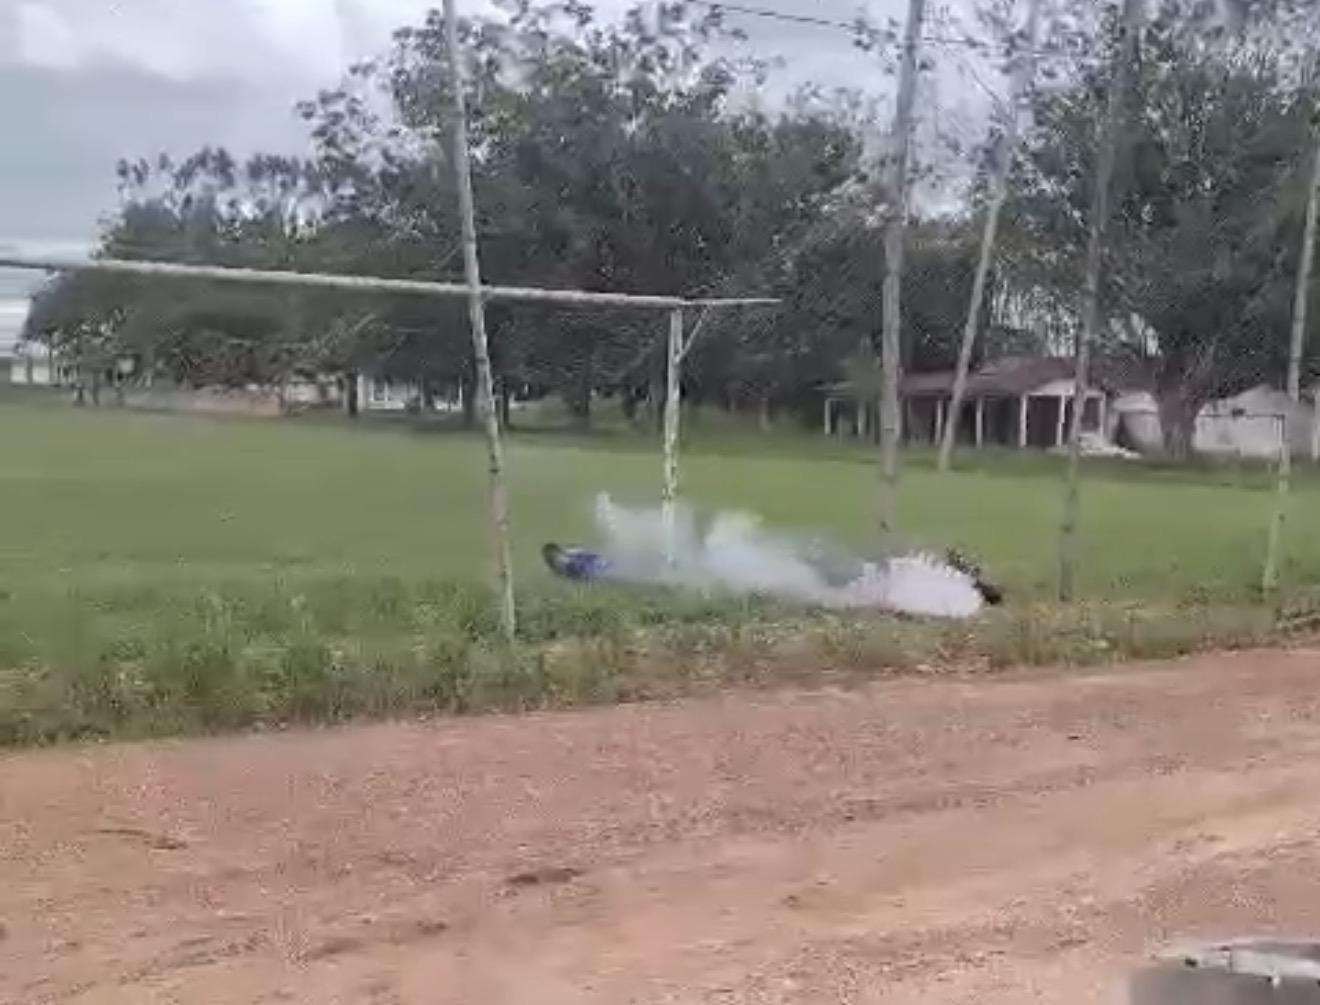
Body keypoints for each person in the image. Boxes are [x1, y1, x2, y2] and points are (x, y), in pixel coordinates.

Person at [542, 542, 613, 582]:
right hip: (591, 564)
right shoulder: (563, 558)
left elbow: (576, 565)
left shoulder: (564, 560)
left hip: (592, 566)